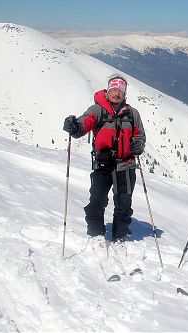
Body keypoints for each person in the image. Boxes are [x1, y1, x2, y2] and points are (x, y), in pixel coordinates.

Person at [63, 75, 145, 242]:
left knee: (123, 204)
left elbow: (140, 135)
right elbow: (84, 124)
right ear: (107, 92)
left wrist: (138, 145)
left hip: (126, 164)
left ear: (124, 94)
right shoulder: (97, 110)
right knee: (96, 201)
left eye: (120, 91)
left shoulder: (132, 114)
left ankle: (119, 235)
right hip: (102, 164)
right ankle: (96, 234)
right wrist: (74, 127)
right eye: (113, 90)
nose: (116, 94)